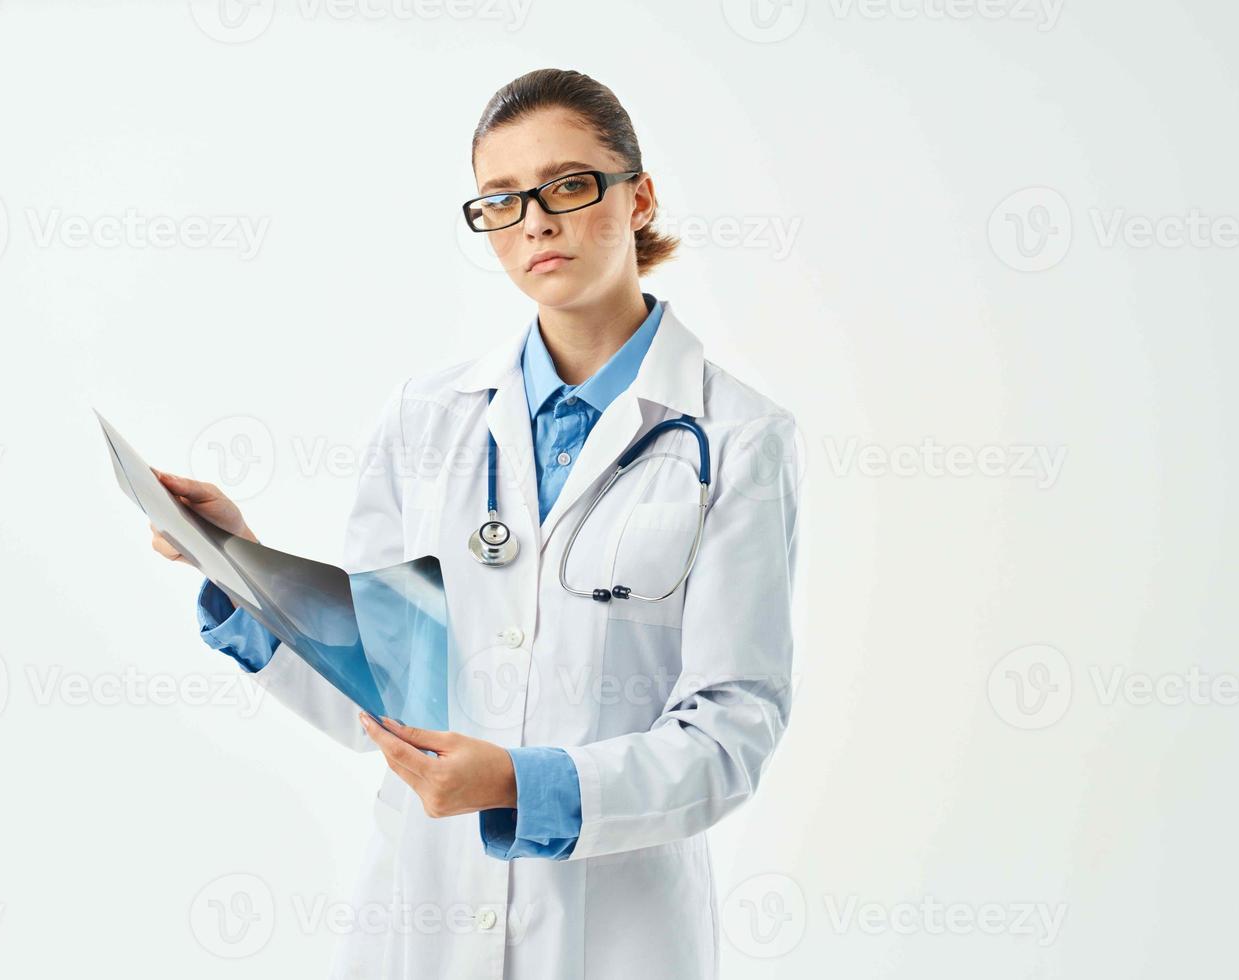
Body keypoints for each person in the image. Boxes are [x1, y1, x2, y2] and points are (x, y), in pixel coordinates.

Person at [148, 67, 801, 980]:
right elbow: (384, 686)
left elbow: (731, 732)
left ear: (638, 196)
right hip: (425, 914)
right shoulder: (427, 416)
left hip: (614, 931)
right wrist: (239, 567)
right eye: (501, 200)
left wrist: (524, 786)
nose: (536, 220)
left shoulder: (739, 436)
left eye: (568, 184)